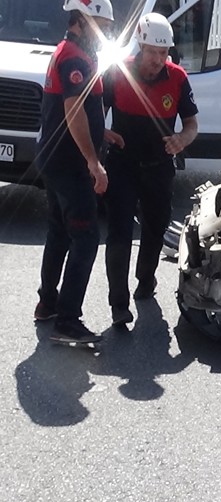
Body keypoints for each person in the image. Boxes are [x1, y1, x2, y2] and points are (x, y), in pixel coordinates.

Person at [103, 12, 198, 326]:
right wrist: (103, 132)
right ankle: (118, 304)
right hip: (122, 164)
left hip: (158, 167)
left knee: (155, 228)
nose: (158, 59)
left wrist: (181, 140)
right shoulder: (117, 72)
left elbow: (192, 124)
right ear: (140, 46)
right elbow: (95, 113)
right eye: (153, 52)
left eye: (164, 52)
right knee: (119, 231)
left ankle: (146, 278)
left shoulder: (178, 78)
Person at [34, 0, 115, 344]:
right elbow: (73, 111)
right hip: (70, 165)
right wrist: (93, 162)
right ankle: (67, 321)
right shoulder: (74, 58)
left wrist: (102, 132)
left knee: (59, 232)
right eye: (102, 27)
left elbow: (75, 110)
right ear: (82, 21)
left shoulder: (71, 51)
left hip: (56, 160)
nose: (106, 34)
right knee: (86, 238)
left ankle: (47, 304)